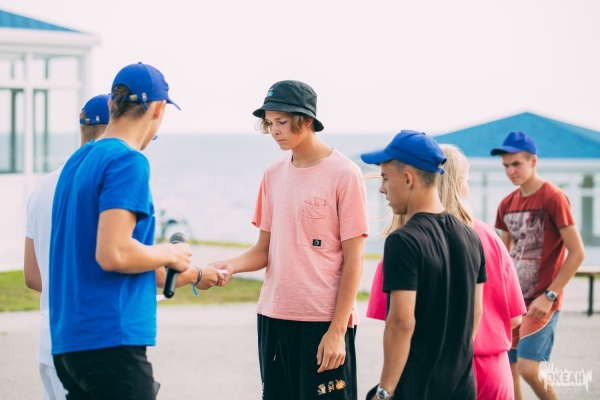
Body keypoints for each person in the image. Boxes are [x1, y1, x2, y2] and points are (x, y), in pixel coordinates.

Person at [48, 62, 223, 399]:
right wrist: (172, 252)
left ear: (111, 103)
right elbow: (113, 253)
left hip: (69, 342)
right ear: (158, 109)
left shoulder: (77, 162)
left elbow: (113, 256)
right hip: (110, 339)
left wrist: (192, 273)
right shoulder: (127, 161)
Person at [210, 80, 369, 399]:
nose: (274, 131)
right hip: (274, 316)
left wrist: (337, 330)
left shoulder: (345, 174)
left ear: (306, 120)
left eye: (281, 122)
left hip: (323, 321)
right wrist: (230, 266)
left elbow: (355, 258)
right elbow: (264, 250)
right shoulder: (272, 174)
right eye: (270, 123)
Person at [365, 143, 527, 399]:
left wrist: (384, 390)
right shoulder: (475, 236)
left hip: (423, 377)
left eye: (385, 178)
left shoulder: (403, 240)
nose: (382, 188)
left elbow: (399, 322)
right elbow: (493, 314)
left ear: (408, 178)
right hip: (475, 375)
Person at [24, 94, 110, 400]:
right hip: (91, 345)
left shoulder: (42, 187)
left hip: (50, 341)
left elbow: (33, 276)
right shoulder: (105, 184)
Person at [491, 131, 585, 400]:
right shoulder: (506, 203)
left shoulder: (554, 197)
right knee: (508, 368)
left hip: (542, 300)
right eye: (506, 166)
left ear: (533, 161)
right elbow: (503, 256)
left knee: (528, 367)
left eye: (516, 164)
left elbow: (577, 253)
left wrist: (550, 295)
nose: (510, 171)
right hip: (513, 301)